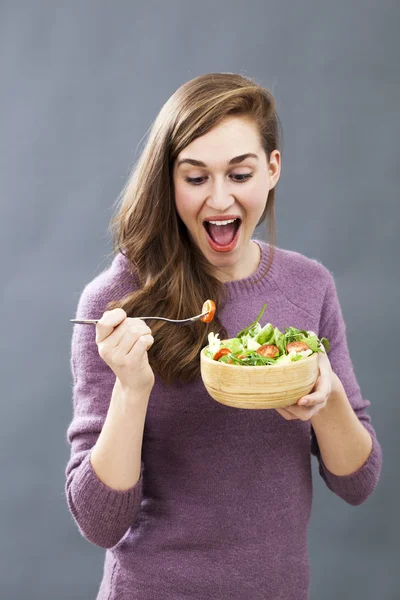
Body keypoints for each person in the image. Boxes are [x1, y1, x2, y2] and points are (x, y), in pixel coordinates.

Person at [65, 72, 382, 600]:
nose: (219, 200)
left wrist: (325, 398)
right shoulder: (116, 303)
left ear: (272, 170)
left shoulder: (310, 286)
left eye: (239, 174)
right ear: (169, 180)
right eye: (195, 178)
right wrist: (132, 388)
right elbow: (101, 523)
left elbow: (358, 483)